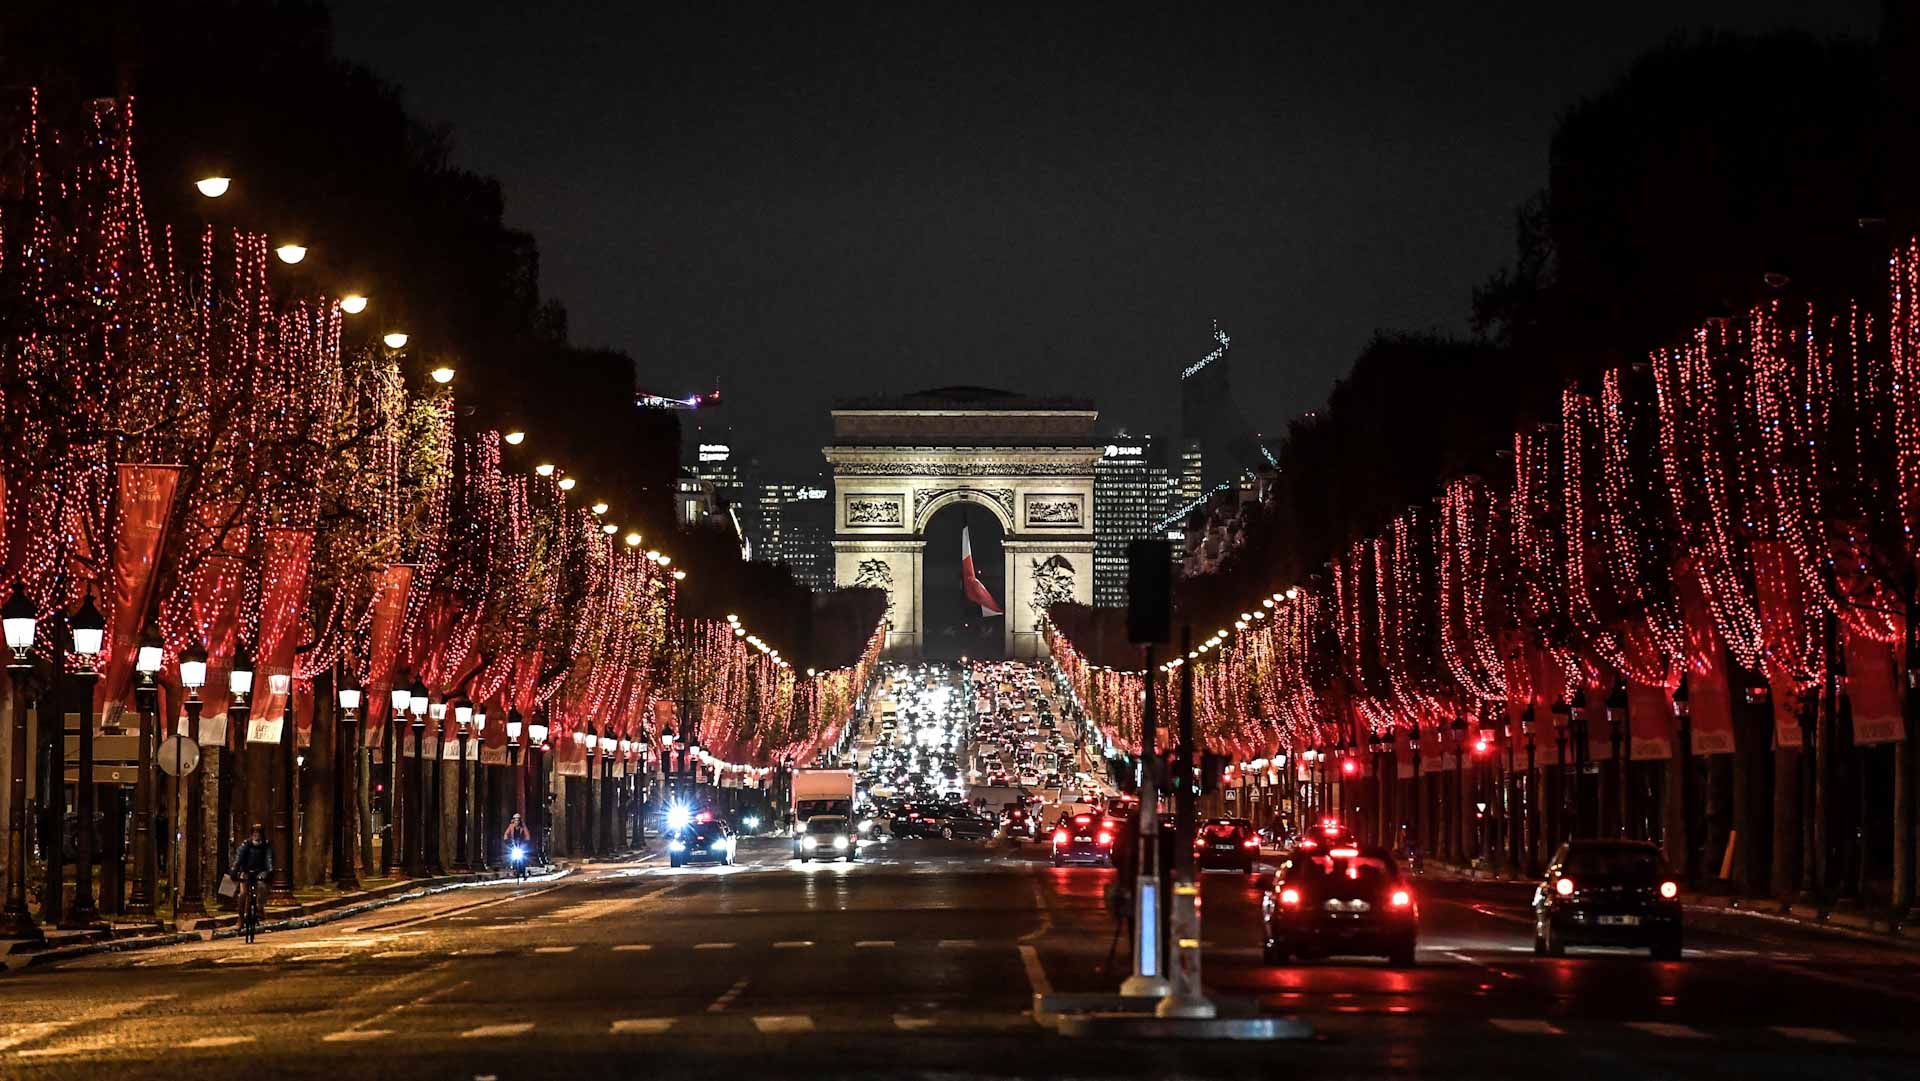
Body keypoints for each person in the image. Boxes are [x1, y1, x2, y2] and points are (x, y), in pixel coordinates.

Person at [230, 824, 273, 936]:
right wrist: (234, 872)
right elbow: (238, 859)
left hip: (260, 872)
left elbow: (269, 860)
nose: (256, 835)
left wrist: (269, 871)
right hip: (246, 872)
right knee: (243, 894)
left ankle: (259, 908)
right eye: (254, 833)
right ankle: (240, 918)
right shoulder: (246, 845)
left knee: (262, 887)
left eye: (258, 833)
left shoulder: (266, 845)